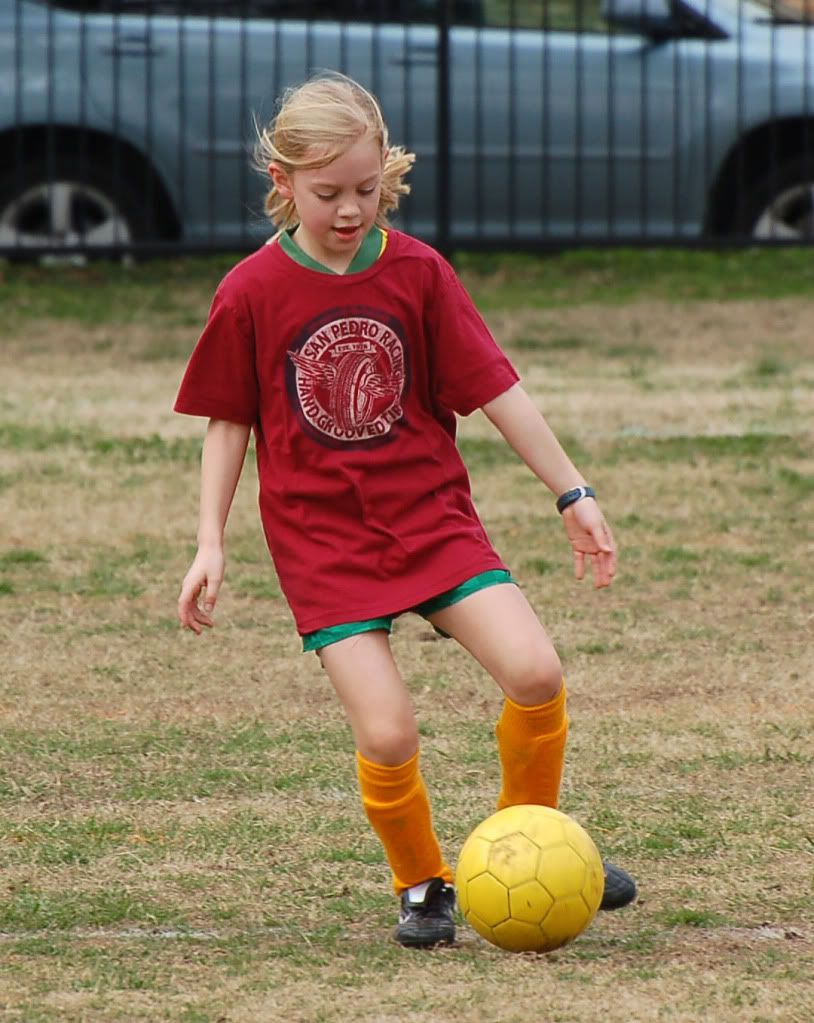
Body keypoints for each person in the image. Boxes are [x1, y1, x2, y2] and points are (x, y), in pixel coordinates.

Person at [175, 72, 636, 949]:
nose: (351, 211)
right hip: (325, 544)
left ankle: (527, 840)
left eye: (367, 189)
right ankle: (424, 882)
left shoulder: (419, 272)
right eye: (328, 194)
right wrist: (210, 543)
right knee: (387, 730)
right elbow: (227, 420)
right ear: (282, 180)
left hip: (430, 520)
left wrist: (572, 491)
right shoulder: (249, 291)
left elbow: (499, 389)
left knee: (536, 673)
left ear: (387, 172)